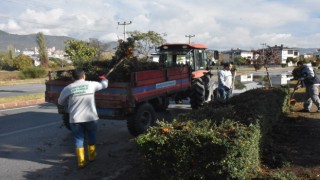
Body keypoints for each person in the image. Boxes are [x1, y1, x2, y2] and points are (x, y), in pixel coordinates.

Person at [58, 70, 108, 168]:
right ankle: (92, 156)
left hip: (76, 119)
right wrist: (104, 78)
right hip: (91, 118)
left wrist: (68, 102)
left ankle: (81, 162)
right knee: (91, 136)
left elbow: (60, 102)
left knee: (78, 139)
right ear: (84, 76)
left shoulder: (68, 88)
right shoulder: (92, 85)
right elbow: (104, 85)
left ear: (73, 78)